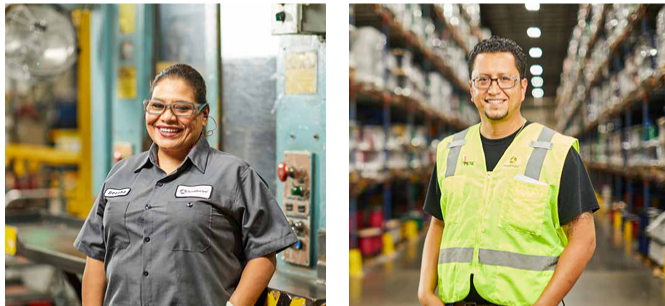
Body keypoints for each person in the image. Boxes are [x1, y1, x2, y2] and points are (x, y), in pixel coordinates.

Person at [74, 64, 297, 306]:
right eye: (157, 106)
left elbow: (264, 253)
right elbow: (96, 255)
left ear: (203, 114)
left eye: (182, 108)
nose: (167, 117)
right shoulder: (121, 174)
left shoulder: (234, 175)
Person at [417, 36, 598, 306]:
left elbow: (584, 239)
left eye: (505, 79)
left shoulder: (557, 152)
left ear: (523, 87)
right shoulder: (450, 150)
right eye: (484, 79)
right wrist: (425, 293)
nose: (494, 89)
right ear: (471, 88)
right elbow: (439, 223)